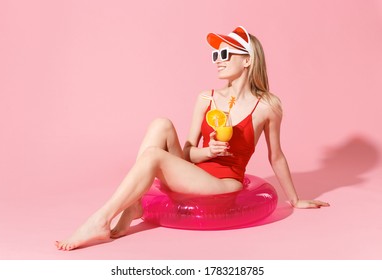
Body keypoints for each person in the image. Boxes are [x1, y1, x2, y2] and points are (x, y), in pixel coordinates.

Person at [55, 26, 329, 251]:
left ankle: (101, 220)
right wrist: (207, 152)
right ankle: (133, 205)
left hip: (224, 183)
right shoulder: (206, 98)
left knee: (153, 156)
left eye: (225, 53)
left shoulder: (267, 106)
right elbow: (187, 153)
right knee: (160, 124)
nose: (218, 59)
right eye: (215, 55)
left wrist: (295, 199)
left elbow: (276, 155)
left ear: (247, 59)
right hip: (195, 172)